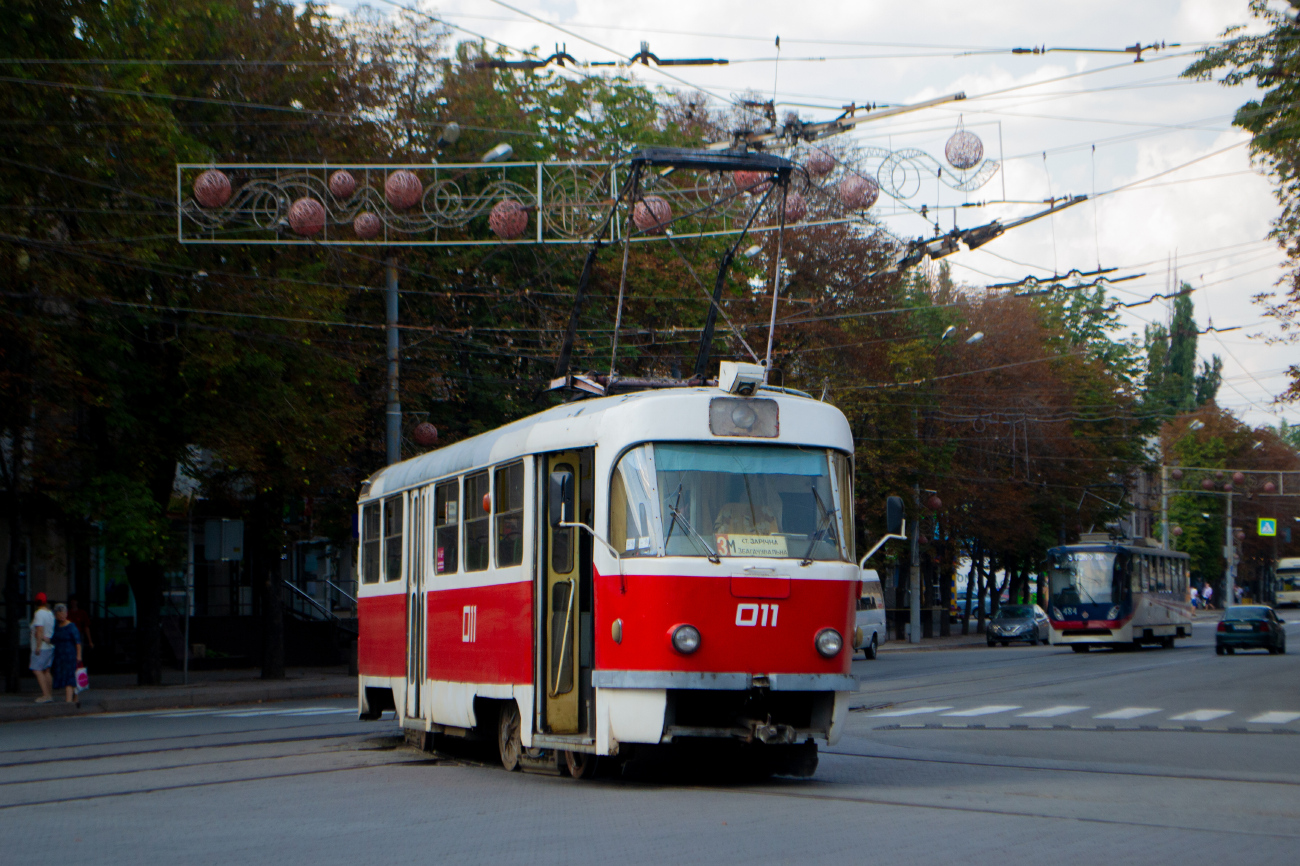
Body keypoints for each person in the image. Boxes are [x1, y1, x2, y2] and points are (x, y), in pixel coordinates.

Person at [49, 604, 83, 706]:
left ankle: (68, 702)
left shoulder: (71, 626)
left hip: (70, 656)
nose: (62, 615)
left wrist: (79, 656)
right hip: (60, 656)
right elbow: (54, 640)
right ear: (56, 615)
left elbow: (78, 642)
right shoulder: (57, 627)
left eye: (64, 613)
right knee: (67, 677)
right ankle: (74, 699)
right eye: (60, 614)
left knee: (69, 678)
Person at [29, 592, 55, 703]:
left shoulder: (39, 613)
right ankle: (49, 693)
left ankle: (45, 695)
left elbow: (39, 630)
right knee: (46, 671)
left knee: (36, 670)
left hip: (41, 646)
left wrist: (38, 646)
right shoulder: (50, 613)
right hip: (49, 645)